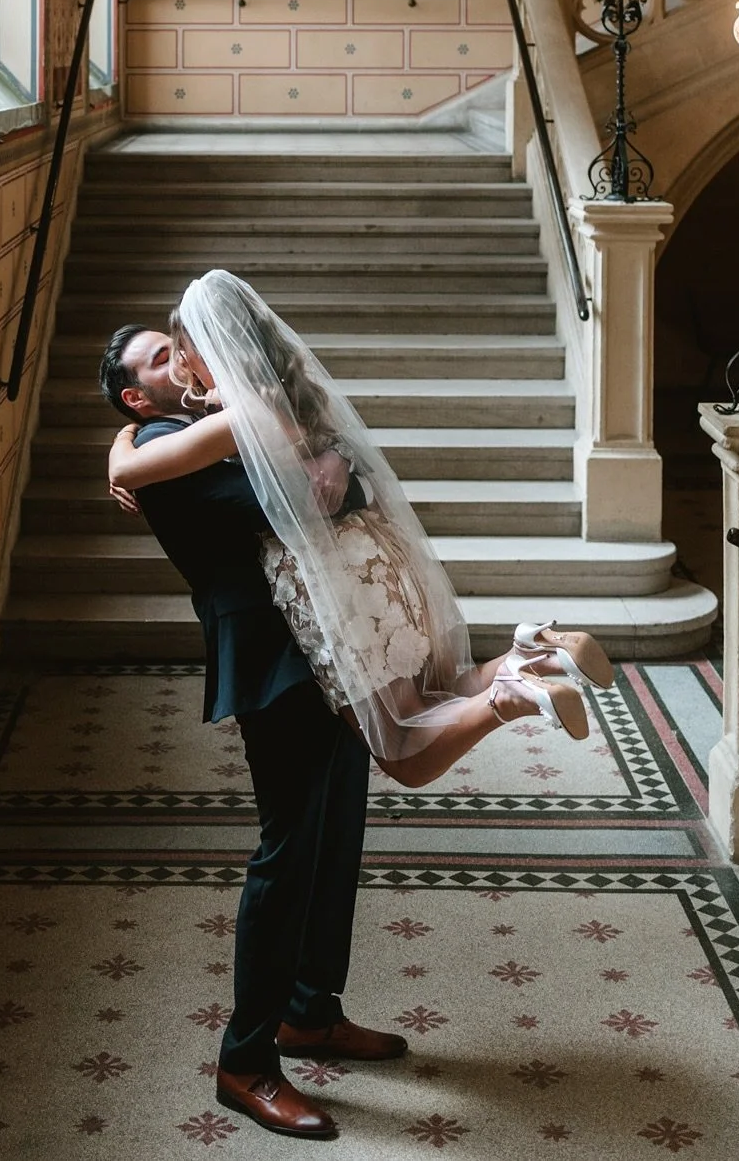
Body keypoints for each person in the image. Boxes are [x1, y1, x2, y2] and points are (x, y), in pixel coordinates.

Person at [106, 271, 613, 784]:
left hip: (331, 578)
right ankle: (533, 650)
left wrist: (123, 438)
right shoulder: (285, 391)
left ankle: (511, 696)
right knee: (441, 690)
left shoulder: (240, 415)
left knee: (402, 750)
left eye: (184, 351)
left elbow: (128, 471)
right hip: (378, 553)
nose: (184, 366)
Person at [99, 321, 402, 1142]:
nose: (182, 359)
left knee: (336, 831)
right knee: (287, 849)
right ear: (137, 396)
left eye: (178, 344)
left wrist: (335, 466)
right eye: (162, 358)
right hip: (271, 660)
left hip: (323, 641)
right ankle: (246, 1062)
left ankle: (312, 1013)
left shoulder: (201, 433)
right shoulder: (164, 451)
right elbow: (298, 501)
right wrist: (125, 447)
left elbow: (353, 486)